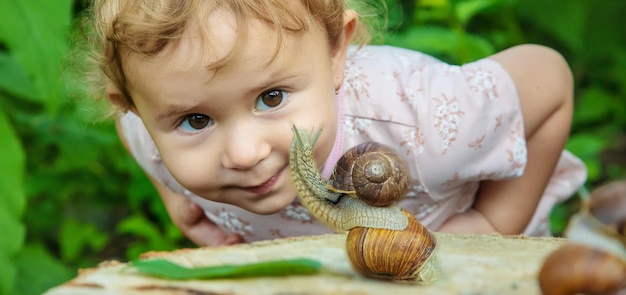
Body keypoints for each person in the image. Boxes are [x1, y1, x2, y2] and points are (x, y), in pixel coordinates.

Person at [87, 0, 587, 246]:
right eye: (196, 120)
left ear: (335, 52)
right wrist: (174, 197)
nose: (244, 153)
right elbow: (132, 131)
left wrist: (489, 227)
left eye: (272, 96)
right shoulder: (152, 128)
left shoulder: (423, 125)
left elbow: (549, 76)